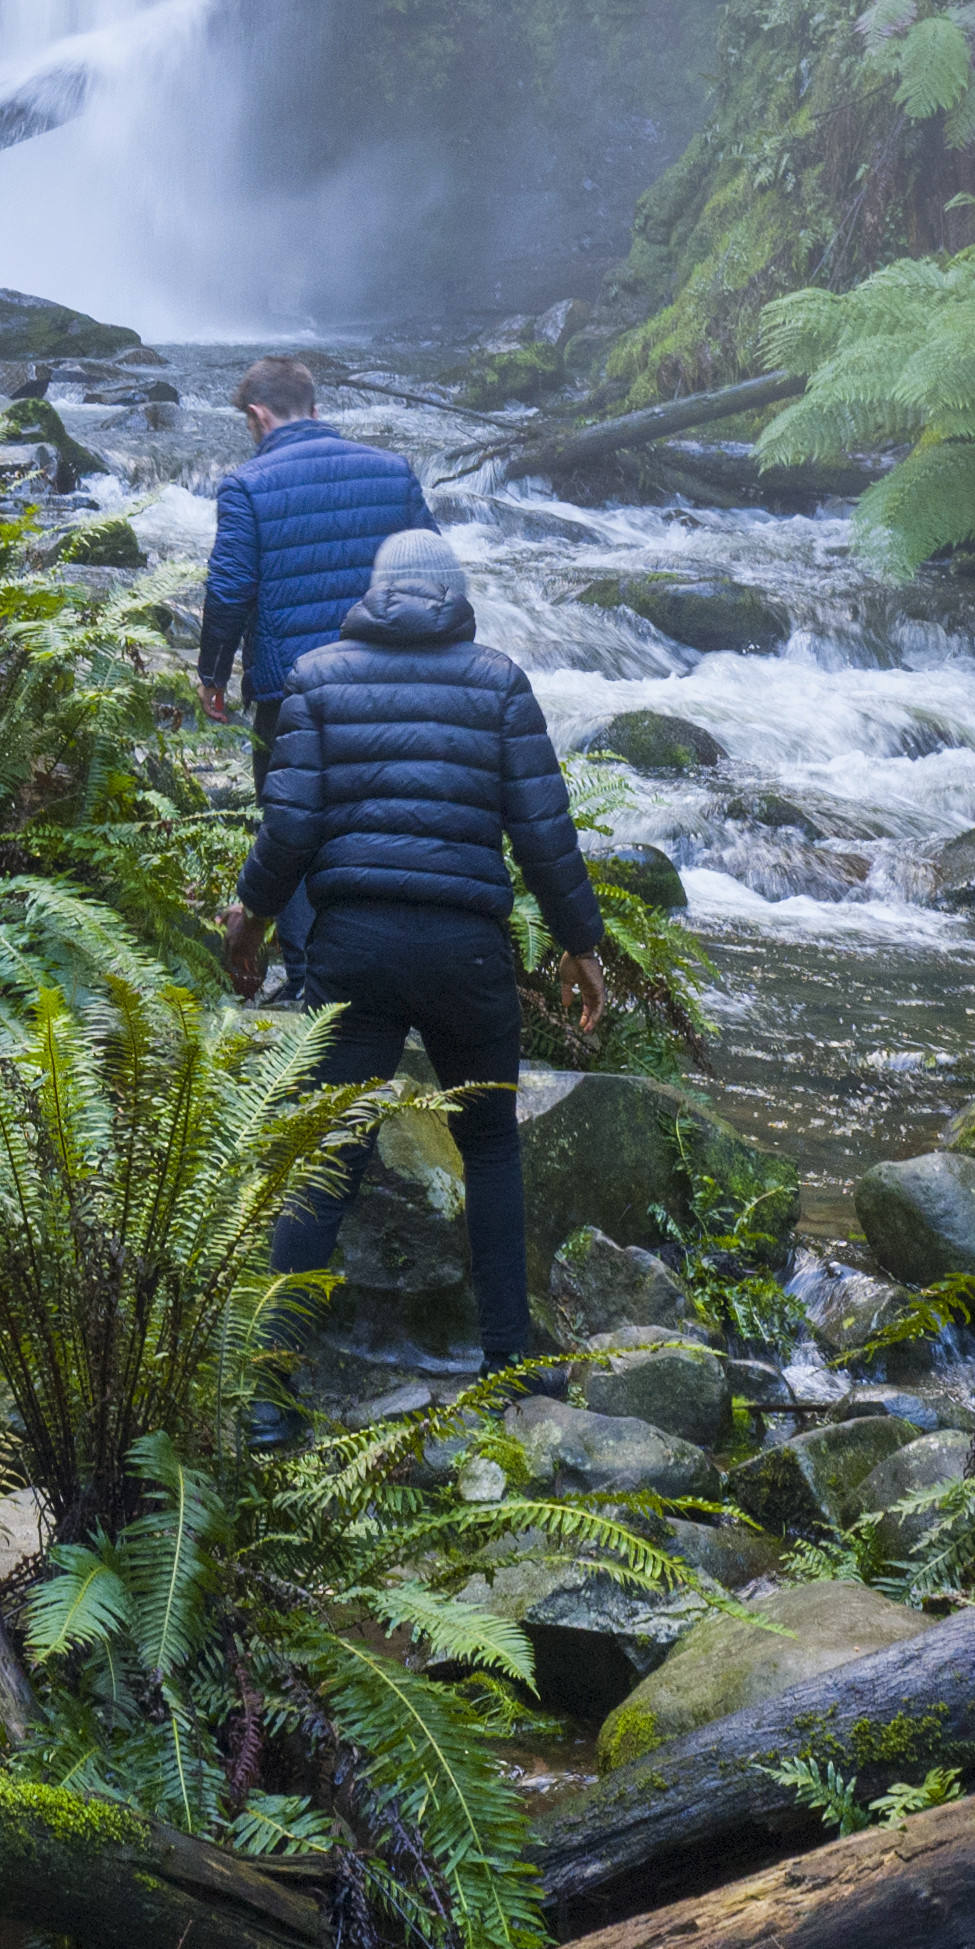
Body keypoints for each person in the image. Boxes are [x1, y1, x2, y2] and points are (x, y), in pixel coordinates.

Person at [220, 528, 606, 1374]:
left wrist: (247, 917)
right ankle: (507, 1368)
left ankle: (268, 1390)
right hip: (466, 952)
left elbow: (288, 829)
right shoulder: (500, 684)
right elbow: (545, 837)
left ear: (376, 591)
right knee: (492, 1145)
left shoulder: (317, 677)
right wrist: (582, 945)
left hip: (353, 945)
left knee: (330, 1149)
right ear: (454, 597)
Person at [198, 354, 434, 769]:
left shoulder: (245, 486)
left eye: (249, 425)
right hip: (387, 686)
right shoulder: (394, 471)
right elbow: (434, 575)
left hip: (290, 696)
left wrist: (213, 677)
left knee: (289, 822)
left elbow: (229, 592)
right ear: (314, 410)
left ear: (258, 415)